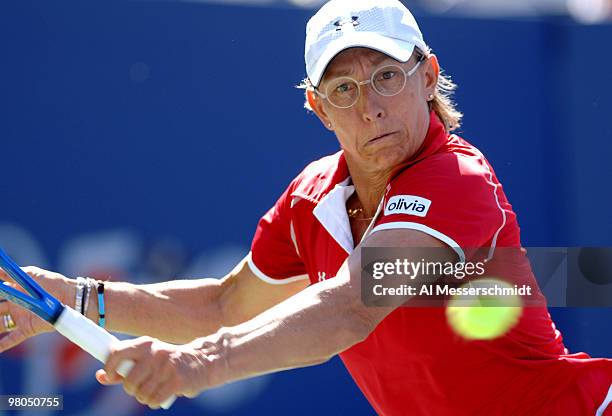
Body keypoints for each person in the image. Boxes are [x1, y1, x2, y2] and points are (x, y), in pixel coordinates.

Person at [0, 0, 611, 414]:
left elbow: (349, 307)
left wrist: (193, 367)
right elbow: (222, 305)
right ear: (318, 110)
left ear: (428, 76)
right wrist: (72, 298)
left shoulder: (457, 181)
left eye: (387, 77)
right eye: (344, 89)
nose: (369, 106)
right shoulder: (313, 198)